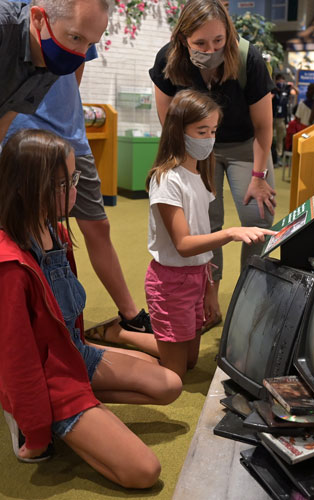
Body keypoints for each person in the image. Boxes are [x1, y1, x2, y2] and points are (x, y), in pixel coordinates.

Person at [0, 129, 182, 487]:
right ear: (28, 188)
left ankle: (75, 408)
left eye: (75, 177)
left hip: (72, 354)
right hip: (48, 377)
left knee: (170, 384)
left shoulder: (56, 232)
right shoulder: (9, 266)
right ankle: (30, 414)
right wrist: (37, 433)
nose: (75, 189)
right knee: (144, 471)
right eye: (64, 183)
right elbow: (16, 360)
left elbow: (67, 319)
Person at [5, 46, 154, 344]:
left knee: (97, 226)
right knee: (20, 232)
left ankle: (127, 315)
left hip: (69, 136)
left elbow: (76, 68)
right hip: (19, 137)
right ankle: (32, 327)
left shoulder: (78, 12)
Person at [149, 0, 277, 331]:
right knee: (208, 225)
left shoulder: (249, 57)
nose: (211, 49)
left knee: (257, 218)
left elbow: (264, 127)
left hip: (245, 145)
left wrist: (259, 177)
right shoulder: (168, 59)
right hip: (197, 147)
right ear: (183, 39)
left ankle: (251, 301)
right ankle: (211, 300)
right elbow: (171, 122)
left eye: (218, 41)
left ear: (228, 34)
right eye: (201, 44)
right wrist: (184, 165)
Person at [144, 89, 275, 379]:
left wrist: (208, 290)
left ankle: (158, 340)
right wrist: (230, 233)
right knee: (175, 373)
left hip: (195, 277)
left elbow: (200, 248)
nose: (209, 139)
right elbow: (184, 245)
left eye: (213, 131)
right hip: (170, 282)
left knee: (190, 362)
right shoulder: (166, 179)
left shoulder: (200, 177)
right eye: (201, 131)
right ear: (178, 132)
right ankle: (120, 339)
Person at [0, 0, 109, 142]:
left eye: (90, 44)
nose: (82, 53)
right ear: (39, 18)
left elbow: (7, 114)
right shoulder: (5, 28)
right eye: (76, 37)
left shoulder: (49, 58)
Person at [272, 73, 294, 163]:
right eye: (279, 80)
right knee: (271, 137)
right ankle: (271, 157)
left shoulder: (286, 89)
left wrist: (292, 86)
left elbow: (295, 92)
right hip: (272, 117)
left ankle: (278, 157)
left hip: (281, 118)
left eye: (282, 80)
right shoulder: (273, 89)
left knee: (280, 138)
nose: (281, 82)